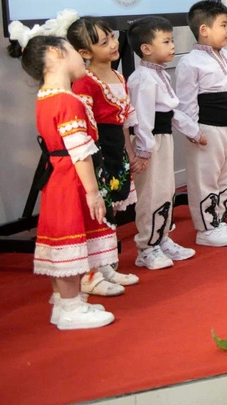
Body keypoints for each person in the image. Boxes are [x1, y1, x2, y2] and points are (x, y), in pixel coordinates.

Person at [20, 35, 117, 330]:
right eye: (75, 51)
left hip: (57, 177)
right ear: (55, 53)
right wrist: (93, 193)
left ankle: (64, 304)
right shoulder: (66, 100)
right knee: (70, 241)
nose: (81, 58)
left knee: (63, 241)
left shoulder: (46, 97)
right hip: (70, 179)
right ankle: (72, 307)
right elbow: (80, 152)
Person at [66, 17, 138, 297]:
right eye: (103, 42)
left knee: (113, 210)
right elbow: (84, 125)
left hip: (115, 149)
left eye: (112, 38)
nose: (113, 45)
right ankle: (91, 272)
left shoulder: (119, 77)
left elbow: (123, 123)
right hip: (97, 152)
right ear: (84, 53)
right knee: (99, 212)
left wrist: (129, 151)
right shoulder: (85, 83)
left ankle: (106, 265)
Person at [128, 17, 201, 268]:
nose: (173, 46)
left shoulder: (159, 75)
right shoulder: (142, 78)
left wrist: (192, 130)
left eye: (173, 41)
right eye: (167, 41)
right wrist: (144, 150)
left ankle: (162, 238)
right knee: (150, 194)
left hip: (163, 139)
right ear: (146, 48)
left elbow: (171, 111)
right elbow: (142, 118)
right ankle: (146, 247)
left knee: (165, 190)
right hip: (151, 143)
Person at [175, 1, 227, 248]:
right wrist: (194, 132)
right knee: (205, 180)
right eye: (223, 25)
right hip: (207, 130)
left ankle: (219, 221)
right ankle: (205, 229)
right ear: (204, 29)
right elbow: (185, 104)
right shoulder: (190, 62)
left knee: (224, 179)